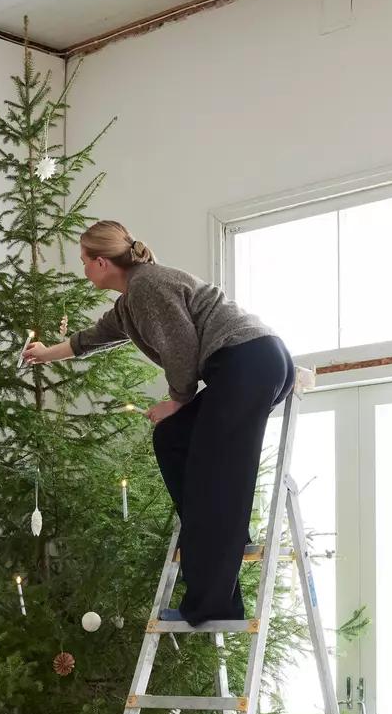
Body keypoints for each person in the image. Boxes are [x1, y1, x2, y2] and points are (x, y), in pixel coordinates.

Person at [24, 220, 295, 625]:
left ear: (101, 262)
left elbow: (181, 347)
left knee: (213, 474)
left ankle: (212, 603)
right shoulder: (130, 302)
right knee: (173, 439)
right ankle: (222, 538)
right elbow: (91, 338)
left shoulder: (147, 287)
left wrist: (178, 400)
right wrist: (44, 354)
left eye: (84, 262)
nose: (83, 271)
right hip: (248, 363)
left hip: (247, 360)